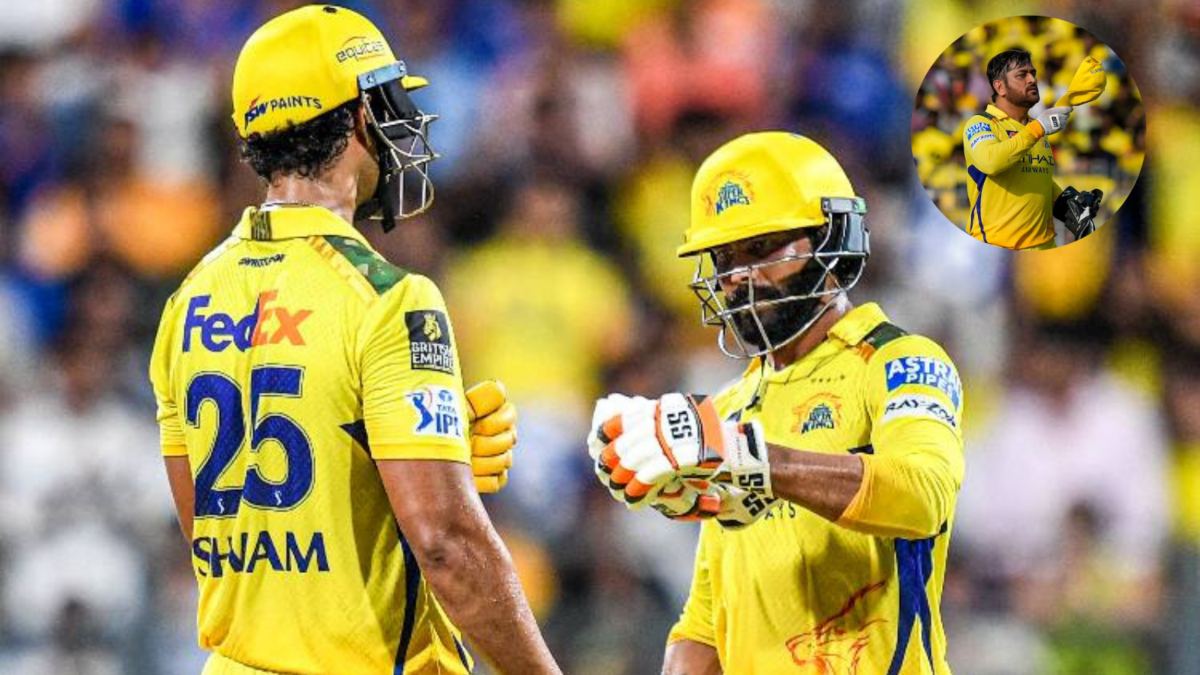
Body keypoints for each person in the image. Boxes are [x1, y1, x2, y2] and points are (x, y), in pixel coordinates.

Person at [148, 6, 560, 675]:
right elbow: (447, 547)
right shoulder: (391, 298)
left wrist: (397, 460)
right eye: (389, 102)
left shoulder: (188, 299)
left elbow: (212, 533)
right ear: (359, 117)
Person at [587, 132, 965, 673]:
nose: (740, 276)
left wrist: (750, 460)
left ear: (832, 238)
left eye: (762, 248)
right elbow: (707, 621)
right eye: (724, 258)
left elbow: (923, 496)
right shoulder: (729, 408)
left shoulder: (897, 360)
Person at [962, 47, 1100, 249]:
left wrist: (1070, 206)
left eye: (1033, 73)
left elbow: (1037, 177)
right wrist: (1038, 128)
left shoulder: (1036, 128)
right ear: (1000, 87)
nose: (1032, 80)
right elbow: (991, 162)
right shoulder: (981, 123)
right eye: (1022, 75)